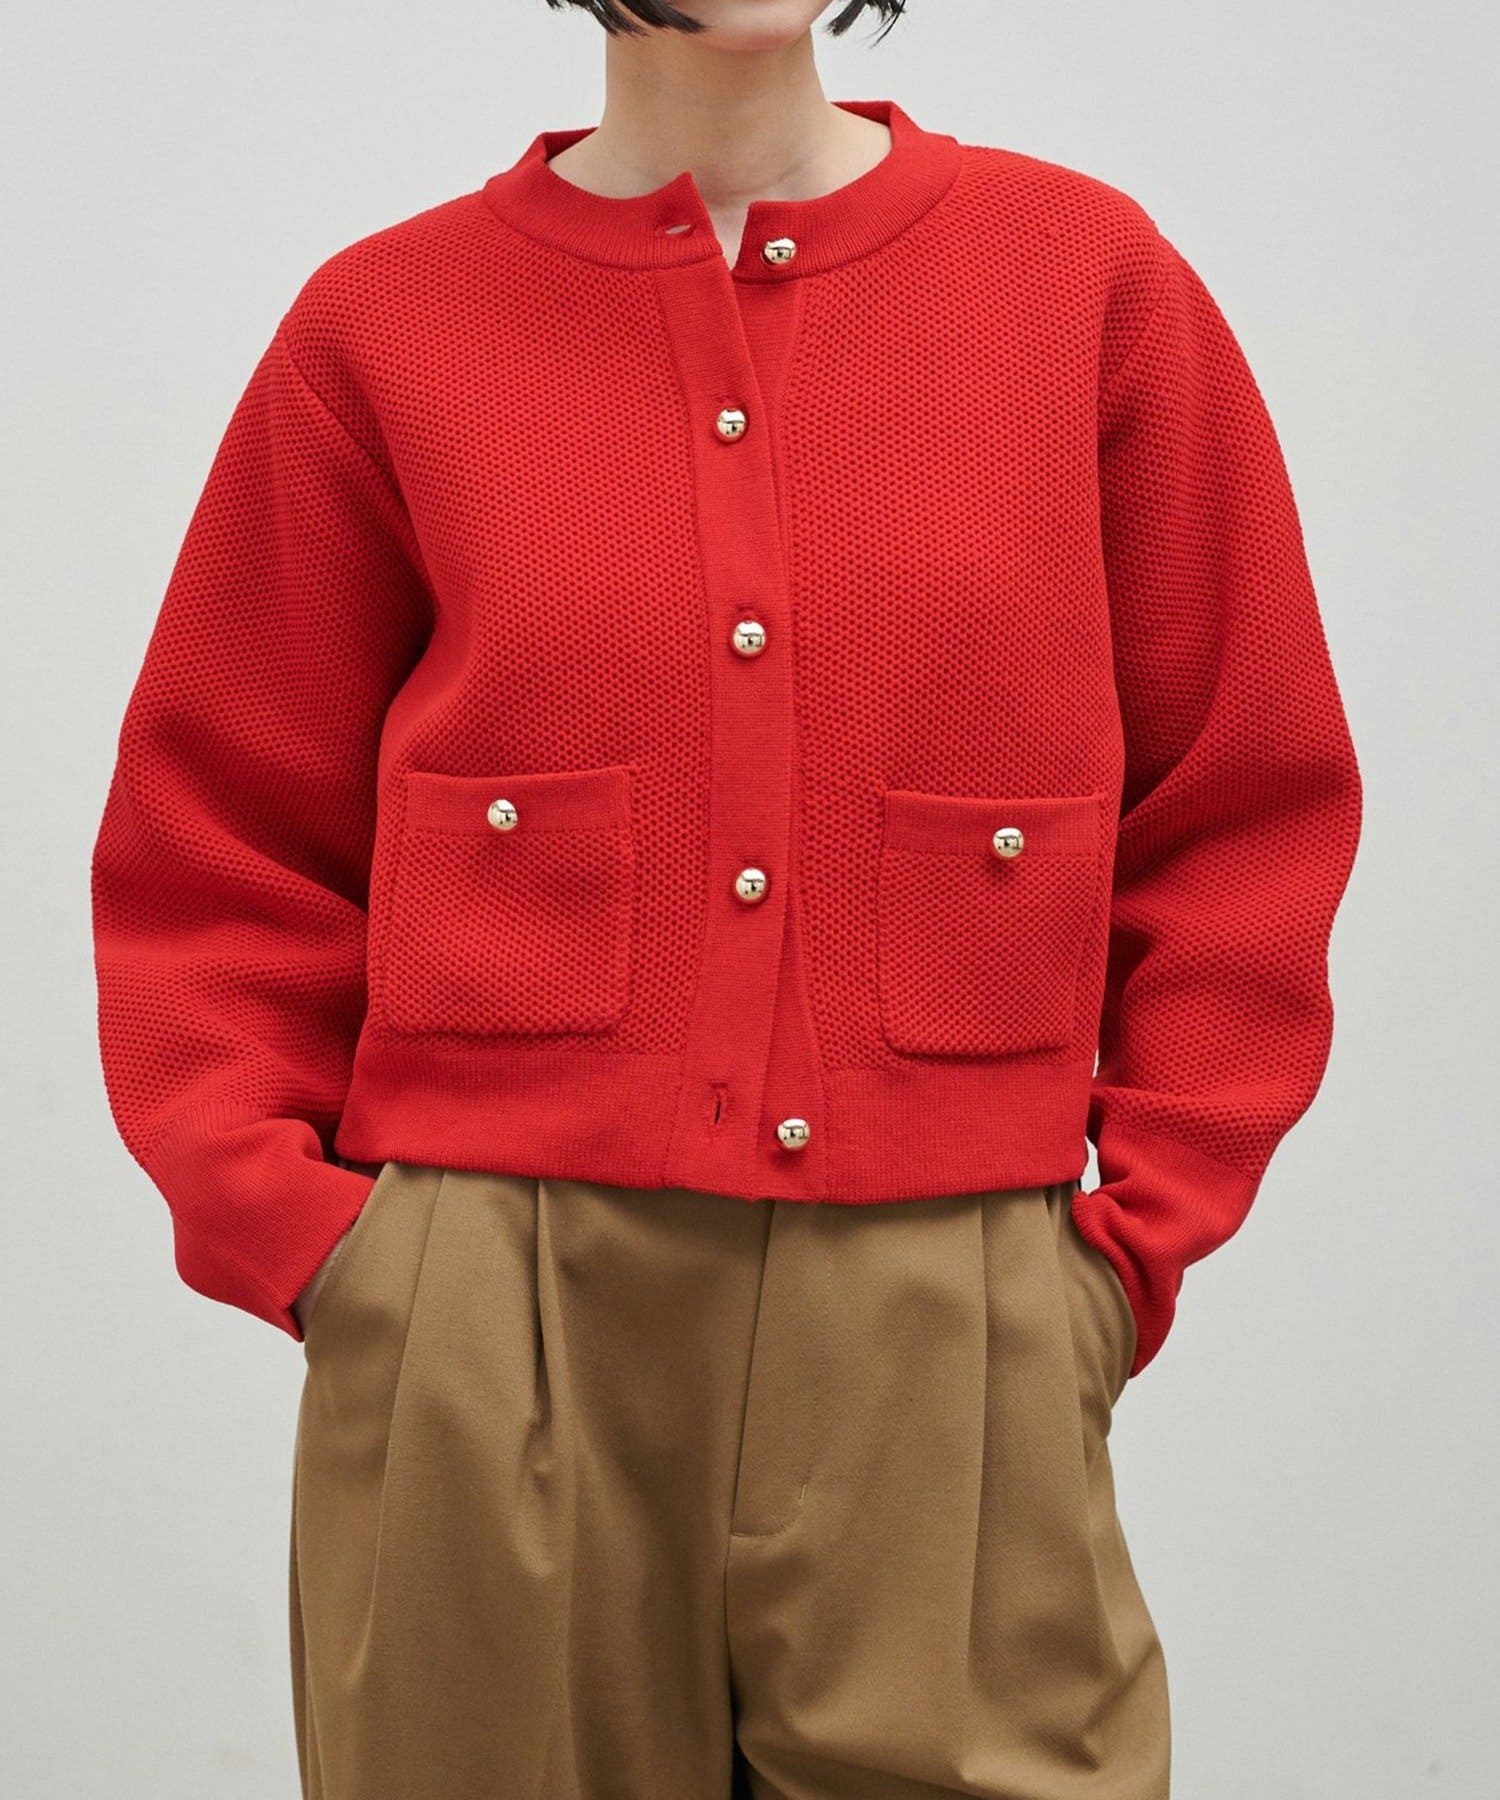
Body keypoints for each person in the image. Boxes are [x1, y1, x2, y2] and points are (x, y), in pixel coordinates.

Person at [88, 1, 1363, 1794]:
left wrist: (1124, 1248)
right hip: (495, 1316)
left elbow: (1245, 798)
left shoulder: (1086, 286)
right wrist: (330, 1259)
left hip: (954, 1307)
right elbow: (216, 835)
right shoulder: (384, 328)